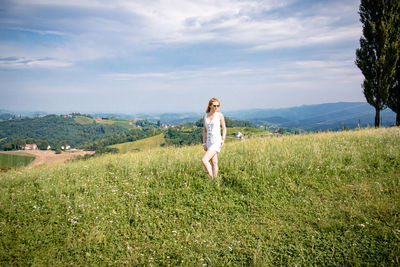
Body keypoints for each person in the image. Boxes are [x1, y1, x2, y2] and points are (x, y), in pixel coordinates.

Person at [201, 97, 227, 178]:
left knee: (204, 160)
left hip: (216, 141)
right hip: (209, 142)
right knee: (214, 162)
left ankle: (211, 178)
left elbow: (224, 128)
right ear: (210, 106)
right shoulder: (205, 116)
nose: (216, 107)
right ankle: (215, 180)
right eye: (215, 105)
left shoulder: (219, 115)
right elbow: (204, 130)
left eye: (218, 106)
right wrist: (204, 143)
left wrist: (223, 139)